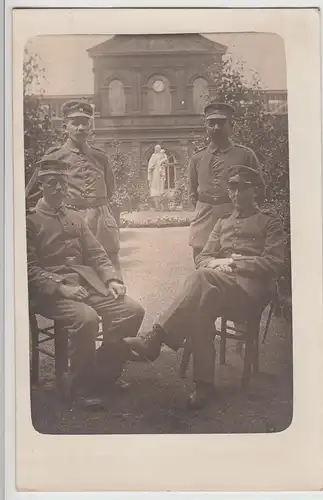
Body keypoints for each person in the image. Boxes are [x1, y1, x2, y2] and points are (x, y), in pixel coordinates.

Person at [124, 165, 284, 410]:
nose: (236, 193)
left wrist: (232, 262)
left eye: (242, 188)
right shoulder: (222, 223)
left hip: (251, 292)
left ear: (255, 191)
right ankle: (204, 386)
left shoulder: (269, 223)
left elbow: (274, 263)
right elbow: (204, 257)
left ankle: (155, 338)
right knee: (201, 305)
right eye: (232, 188)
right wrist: (214, 264)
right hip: (221, 288)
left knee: (201, 279)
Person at [26, 152, 144, 409]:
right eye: (52, 183)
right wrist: (61, 287)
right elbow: (28, 268)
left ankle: (103, 373)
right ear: (41, 185)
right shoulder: (29, 221)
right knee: (87, 318)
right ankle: (79, 388)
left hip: (86, 284)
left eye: (63, 183)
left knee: (132, 310)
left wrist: (111, 279)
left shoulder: (75, 217)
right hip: (51, 292)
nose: (58, 188)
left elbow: (96, 253)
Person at [45, 100, 122, 273]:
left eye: (85, 123)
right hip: (71, 218)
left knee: (110, 263)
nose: (80, 128)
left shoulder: (100, 157)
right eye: (75, 123)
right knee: (75, 266)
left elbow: (110, 189)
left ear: (90, 127)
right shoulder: (55, 157)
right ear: (65, 127)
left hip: (101, 220)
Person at [188, 101, 264, 262]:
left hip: (235, 218)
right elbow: (192, 192)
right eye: (211, 123)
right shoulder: (197, 158)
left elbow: (260, 190)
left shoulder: (245, 155)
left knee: (235, 267)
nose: (216, 127)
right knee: (203, 266)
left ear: (231, 125)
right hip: (204, 221)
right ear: (206, 127)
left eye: (221, 123)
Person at [148, 144, 167, 210]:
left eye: (158, 148)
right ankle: (156, 205)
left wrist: (163, 164)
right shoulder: (153, 155)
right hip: (155, 171)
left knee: (161, 184)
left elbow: (165, 162)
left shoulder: (163, 155)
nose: (157, 149)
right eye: (156, 148)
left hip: (160, 171)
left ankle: (161, 203)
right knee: (154, 185)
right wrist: (151, 167)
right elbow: (151, 164)